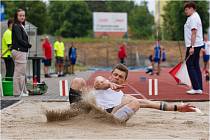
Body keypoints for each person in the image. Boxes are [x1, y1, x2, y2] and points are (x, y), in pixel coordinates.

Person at [68, 64, 198, 122]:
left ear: (125, 80)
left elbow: (152, 104)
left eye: (120, 77)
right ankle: (73, 113)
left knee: (136, 102)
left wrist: (178, 107)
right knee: (78, 80)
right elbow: (98, 82)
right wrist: (108, 84)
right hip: (86, 110)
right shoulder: (103, 81)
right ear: (111, 75)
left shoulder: (123, 98)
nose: (117, 78)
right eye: (115, 75)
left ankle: (114, 122)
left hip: (105, 116)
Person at [184, 2, 204, 94]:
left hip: (194, 45)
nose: (185, 12)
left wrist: (191, 46)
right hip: (196, 44)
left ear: (191, 8)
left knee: (190, 65)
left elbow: (194, 33)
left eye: (186, 9)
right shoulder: (193, 17)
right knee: (195, 65)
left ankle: (196, 88)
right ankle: (199, 87)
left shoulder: (193, 18)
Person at [11, 9, 32, 97]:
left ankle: (23, 90)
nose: (22, 17)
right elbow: (19, 39)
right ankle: (17, 92)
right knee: (18, 73)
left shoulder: (20, 25)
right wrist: (28, 45)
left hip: (21, 51)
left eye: (23, 15)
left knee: (21, 72)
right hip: (19, 51)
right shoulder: (16, 26)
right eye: (20, 15)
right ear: (16, 16)